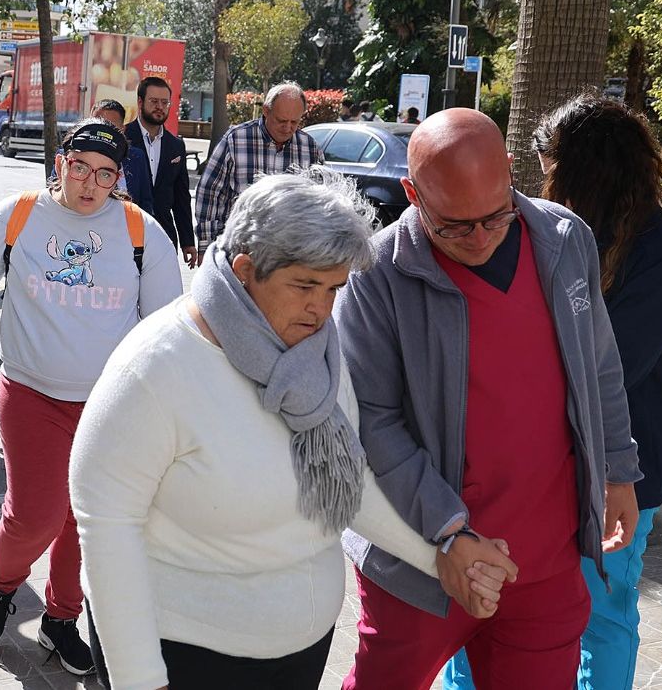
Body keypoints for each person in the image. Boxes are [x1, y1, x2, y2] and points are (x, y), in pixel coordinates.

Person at [73, 172, 514, 690]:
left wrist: (441, 556)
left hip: (301, 651)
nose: (322, 309)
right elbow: (106, 528)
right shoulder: (153, 369)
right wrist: (139, 682)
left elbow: (347, 480)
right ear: (244, 271)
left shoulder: (317, 348)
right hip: (187, 657)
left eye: (333, 288)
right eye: (304, 285)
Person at [335, 108, 642, 690]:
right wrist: (449, 532)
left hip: (544, 559)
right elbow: (371, 423)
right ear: (411, 192)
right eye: (453, 225)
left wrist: (618, 471)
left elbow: (599, 364)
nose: (479, 238)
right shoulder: (376, 274)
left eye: (494, 215)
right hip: (423, 562)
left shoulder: (564, 238)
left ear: (510, 171)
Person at [442, 95, 662, 690]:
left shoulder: (661, 255)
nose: (542, 175)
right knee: (490, 605)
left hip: (620, 475)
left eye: (548, 160)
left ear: (585, 166)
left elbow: (605, 371)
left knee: (603, 616)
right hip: (546, 468)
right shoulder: (566, 236)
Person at [0, 119, 184, 677]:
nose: (89, 183)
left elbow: (165, 326)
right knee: (36, 515)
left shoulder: (140, 231)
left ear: (118, 179)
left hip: (109, 403)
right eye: (80, 167)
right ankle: (1, 585)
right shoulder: (21, 214)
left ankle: (61, 617)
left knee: (87, 519)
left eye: (105, 174)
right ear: (62, 163)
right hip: (31, 393)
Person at [194, 82, 323, 257]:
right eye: (281, 120)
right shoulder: (236, 140)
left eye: (295, 122)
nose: (288, 128)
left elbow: (320, 200)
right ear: (266, 111)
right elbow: (209, 193)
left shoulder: (309, 147)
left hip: (289, 254)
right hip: (240, 249)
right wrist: (206, 247)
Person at [120, 76, 197, 268]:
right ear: (140, 102)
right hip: (126, 235)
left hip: (164, 236)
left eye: (165, 102)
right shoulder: (122, 140)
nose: (159, 107)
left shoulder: (176, 146)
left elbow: (181, 197)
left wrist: (188, 241)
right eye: (154, 101)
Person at [92, 100, 151, 207]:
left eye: (111, 128)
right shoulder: (70, 155)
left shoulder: (136, 157)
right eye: (97, 125)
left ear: (122, 130)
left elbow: (145, 201)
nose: (103, 133)